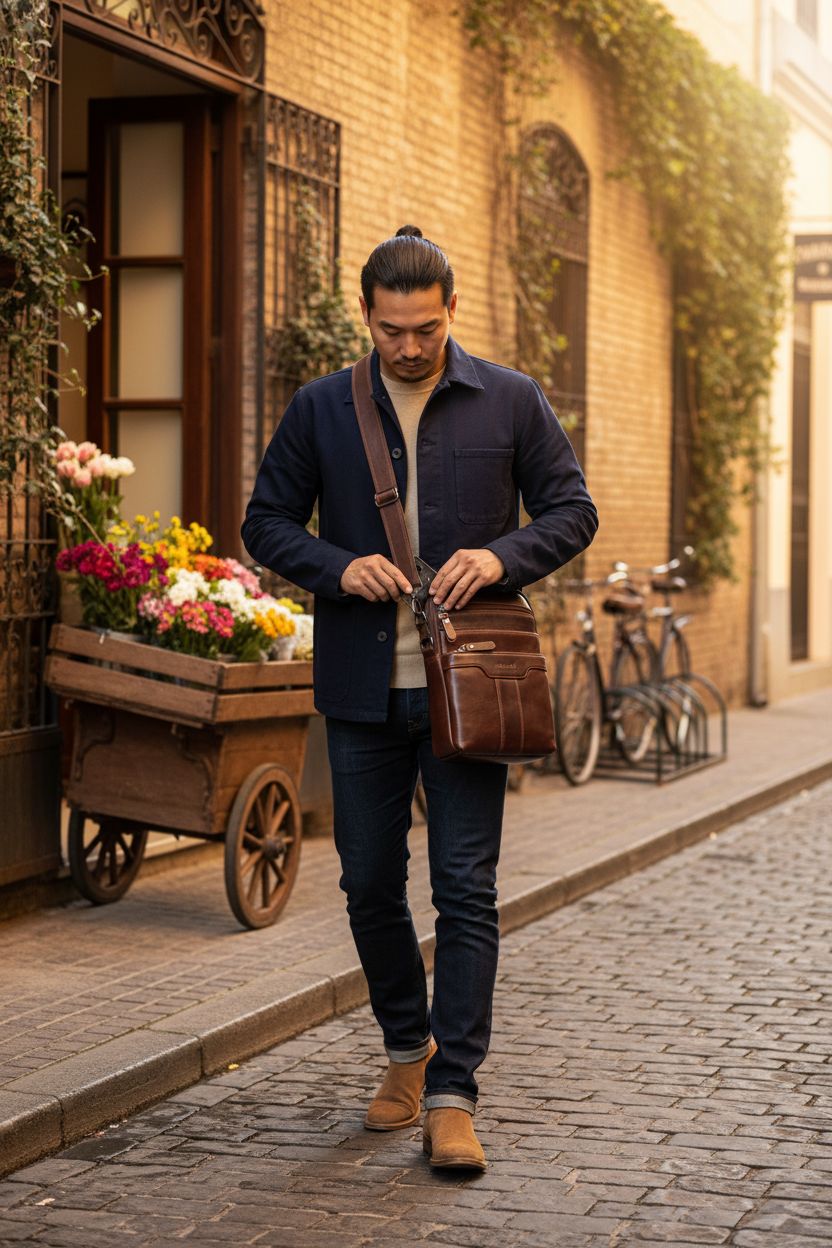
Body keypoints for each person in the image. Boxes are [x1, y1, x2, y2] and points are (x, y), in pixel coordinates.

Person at [241, 225, 598, 1171]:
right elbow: (264, 521)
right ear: (368, 316)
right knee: (365, 884)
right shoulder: (322, 408)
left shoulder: (511, 400)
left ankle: (453, 1094)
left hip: (471, 689)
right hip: (363, 690)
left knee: (466, 893)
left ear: (452, 313)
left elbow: (573, 510)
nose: (409, 346)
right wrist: (335, 564)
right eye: (393, 329)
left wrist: (501, 555)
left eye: (426, 329)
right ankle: (408, 1050)